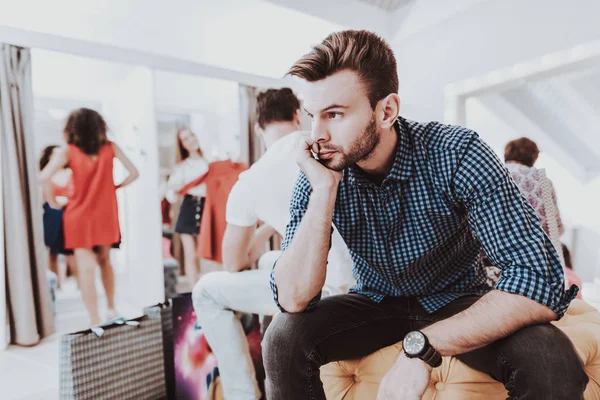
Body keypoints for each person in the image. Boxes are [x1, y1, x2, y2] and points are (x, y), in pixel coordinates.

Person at [262, 30, 586, 400]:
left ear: (386, 111)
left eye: (334, 114)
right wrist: (323, 190)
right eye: (312, 116)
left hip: (458, 298)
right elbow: (292, 299)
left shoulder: (457, 152)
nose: (316, 135)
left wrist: (424, 345)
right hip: (376, 302)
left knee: (551, 360)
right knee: (283, 338)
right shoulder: (321, 167)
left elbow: (538, 275)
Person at [192, 88, 355, 400]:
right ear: (298, 116)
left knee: (206, 291)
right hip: (356, 279)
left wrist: (263, 224)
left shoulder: (250, 181)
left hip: (324, 290)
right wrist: (273, 222)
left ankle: (243, 394)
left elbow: (233, 264)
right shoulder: (328, 146)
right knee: (269, 261)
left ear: (257, 128)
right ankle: (273, 361)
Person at [40, 108, 139, 326]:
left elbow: (43, 176)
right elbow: (134, 173)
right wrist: (114, 188)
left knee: (86, 269)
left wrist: (53, 202)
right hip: (106, 213)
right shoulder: (110, 147)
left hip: (78, 216)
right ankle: (111, 309)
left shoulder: (67, 151)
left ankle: (95, 319)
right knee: (105, 262)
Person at [167, 128, 209, 286]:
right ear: (182, 145)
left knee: (207, 255)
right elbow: (170, 191)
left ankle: (210, 291)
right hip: (188, 207)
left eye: (191, 135)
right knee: (190, 255)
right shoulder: (181, 167)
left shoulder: (210, 162)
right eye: (185, 139)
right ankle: (195, 293)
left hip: (206, 207)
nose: (190, 140)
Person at [39, 145, 76, 289]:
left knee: (71, 251)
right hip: (52, 214)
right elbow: (50, 199)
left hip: (69, 213)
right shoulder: (46, 175)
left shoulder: (70, 173)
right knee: (52, 251)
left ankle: (77, 283)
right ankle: (56, 285)